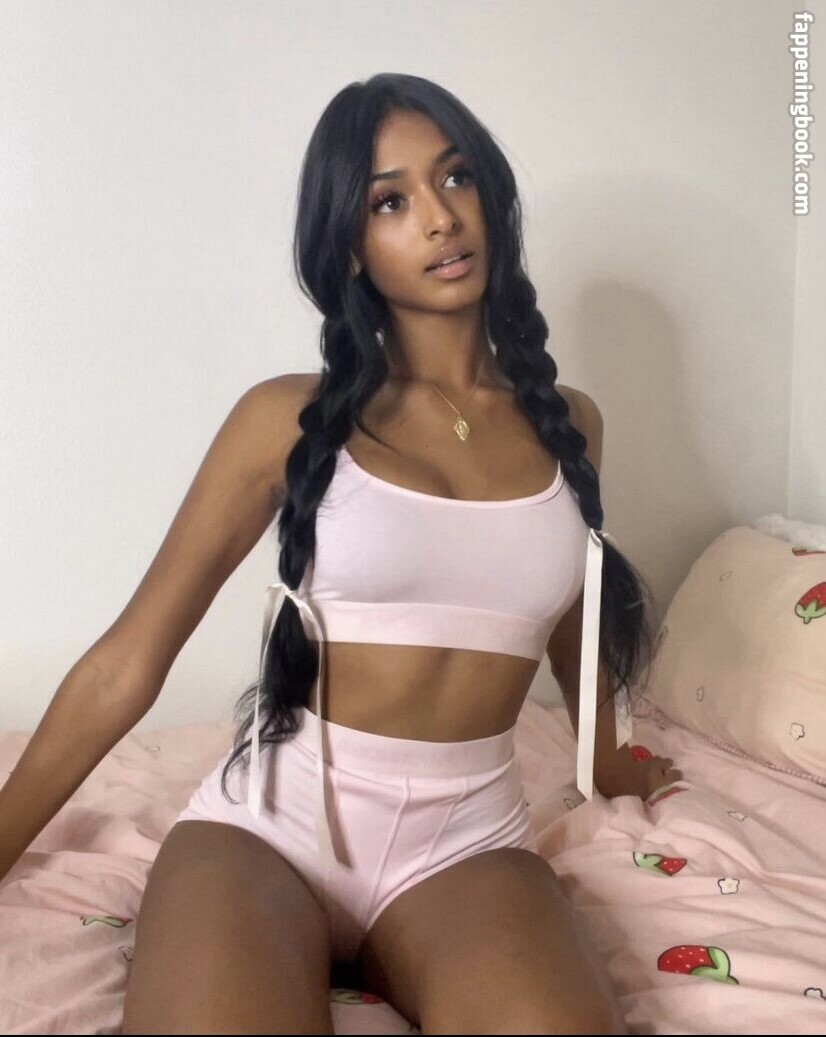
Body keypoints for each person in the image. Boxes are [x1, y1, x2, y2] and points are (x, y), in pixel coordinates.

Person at [0, 73, 680, 1035]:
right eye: (390, 201)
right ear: (351, 246)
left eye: (456, 178)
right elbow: (125, 662)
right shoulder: (285, 419)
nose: (440, 218)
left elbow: (565, 606)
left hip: (470, 842)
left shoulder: (572, 425)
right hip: (269, 831)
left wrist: (604, 758)